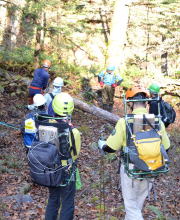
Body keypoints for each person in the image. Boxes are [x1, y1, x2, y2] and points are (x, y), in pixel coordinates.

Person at [98, 87, 170, 220]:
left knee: (131, 207)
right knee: (136, 206)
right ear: (146, 102)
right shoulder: (157, 121)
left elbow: (111, 148)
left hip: (131, 170)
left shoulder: (124, 121)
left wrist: (101, 144)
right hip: (151, 167)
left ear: (130, 103)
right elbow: (166, 147)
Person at [44, 92, 81, 220]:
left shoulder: (45, 126)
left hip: (51, 170)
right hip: (67, 171)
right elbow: (75, 155)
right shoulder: (74, 132)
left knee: (53, 199)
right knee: (67, 202)